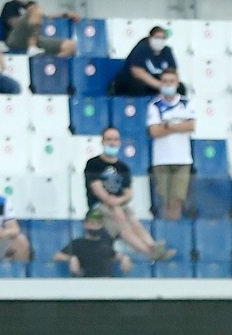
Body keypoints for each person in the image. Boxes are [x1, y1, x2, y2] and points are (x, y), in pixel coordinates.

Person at [86, 126, 174, 261]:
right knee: (124, 227)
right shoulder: (93, 164)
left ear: (119, 142)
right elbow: (98, 190)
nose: (112, 143)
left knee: (134, 223)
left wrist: (118, 203)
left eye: (115, 139)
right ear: (102, 141)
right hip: (99, 207)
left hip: (120, 205)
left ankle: (153, 246)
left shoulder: (123, 167)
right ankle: (151, 254)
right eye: (109, 139)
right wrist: (114, 206)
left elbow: (128, 193)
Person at [146, 68, 197, 220]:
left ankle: (174, 228)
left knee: (177, 200)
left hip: (182, 160)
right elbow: (154, 131)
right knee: (164, 200)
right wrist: (179, 126)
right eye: (165, 81)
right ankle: (164, 229)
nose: (168, 84)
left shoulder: (186, 103)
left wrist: (168, 125)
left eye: (171, 81)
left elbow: (191, 126)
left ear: (177, 83)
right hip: (161, 160)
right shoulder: (154, 105)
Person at [0, 0, 78, 57]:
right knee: (35, 8)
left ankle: (49, 61)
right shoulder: (9, 6)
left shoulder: (33, 4)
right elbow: (13, 23)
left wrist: (65, 14)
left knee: (70, 46)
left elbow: (44, 17)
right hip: (15, 39)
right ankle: (32, 47)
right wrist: (29, 15)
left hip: (35, 39)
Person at [54, 209, 130, 277]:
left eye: (98, 223)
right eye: (92, 223)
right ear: (85, 224)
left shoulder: (106, 242)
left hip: (107, 281)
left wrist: (125, 258)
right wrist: (71, 258)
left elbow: (114, 254)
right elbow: (57, 256)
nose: (94, 226)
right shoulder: (78, 243)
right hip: (86, 281)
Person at [113, 26, 183, 96]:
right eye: (157, 37)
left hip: (156, 81)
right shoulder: (142, 48)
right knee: (138, 85)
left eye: (163, 38)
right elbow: (137, 72)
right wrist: (159, 85)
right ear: (150, 38)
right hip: (132, 80)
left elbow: (173, 71)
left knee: (180, 88)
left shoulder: (167, 51)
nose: (160, 41)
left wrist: (171, 84)